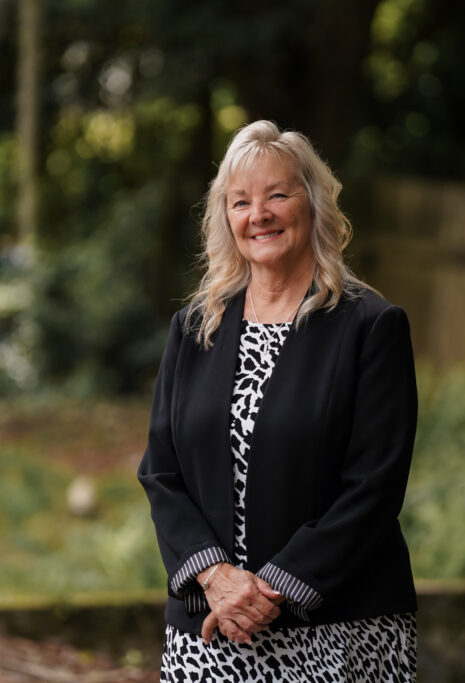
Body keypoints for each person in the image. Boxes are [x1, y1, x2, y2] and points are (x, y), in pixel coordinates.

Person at [138, 120, 418, 681]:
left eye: (277, 195)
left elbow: (374, 484)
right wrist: (217, 578)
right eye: (240, 202)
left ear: (313, 206)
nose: (258, 214)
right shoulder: (195, 328)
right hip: (209, 630)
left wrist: (274, 590)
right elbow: (161, 473)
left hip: (339, 631)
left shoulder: (370, 327)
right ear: (226, 220)